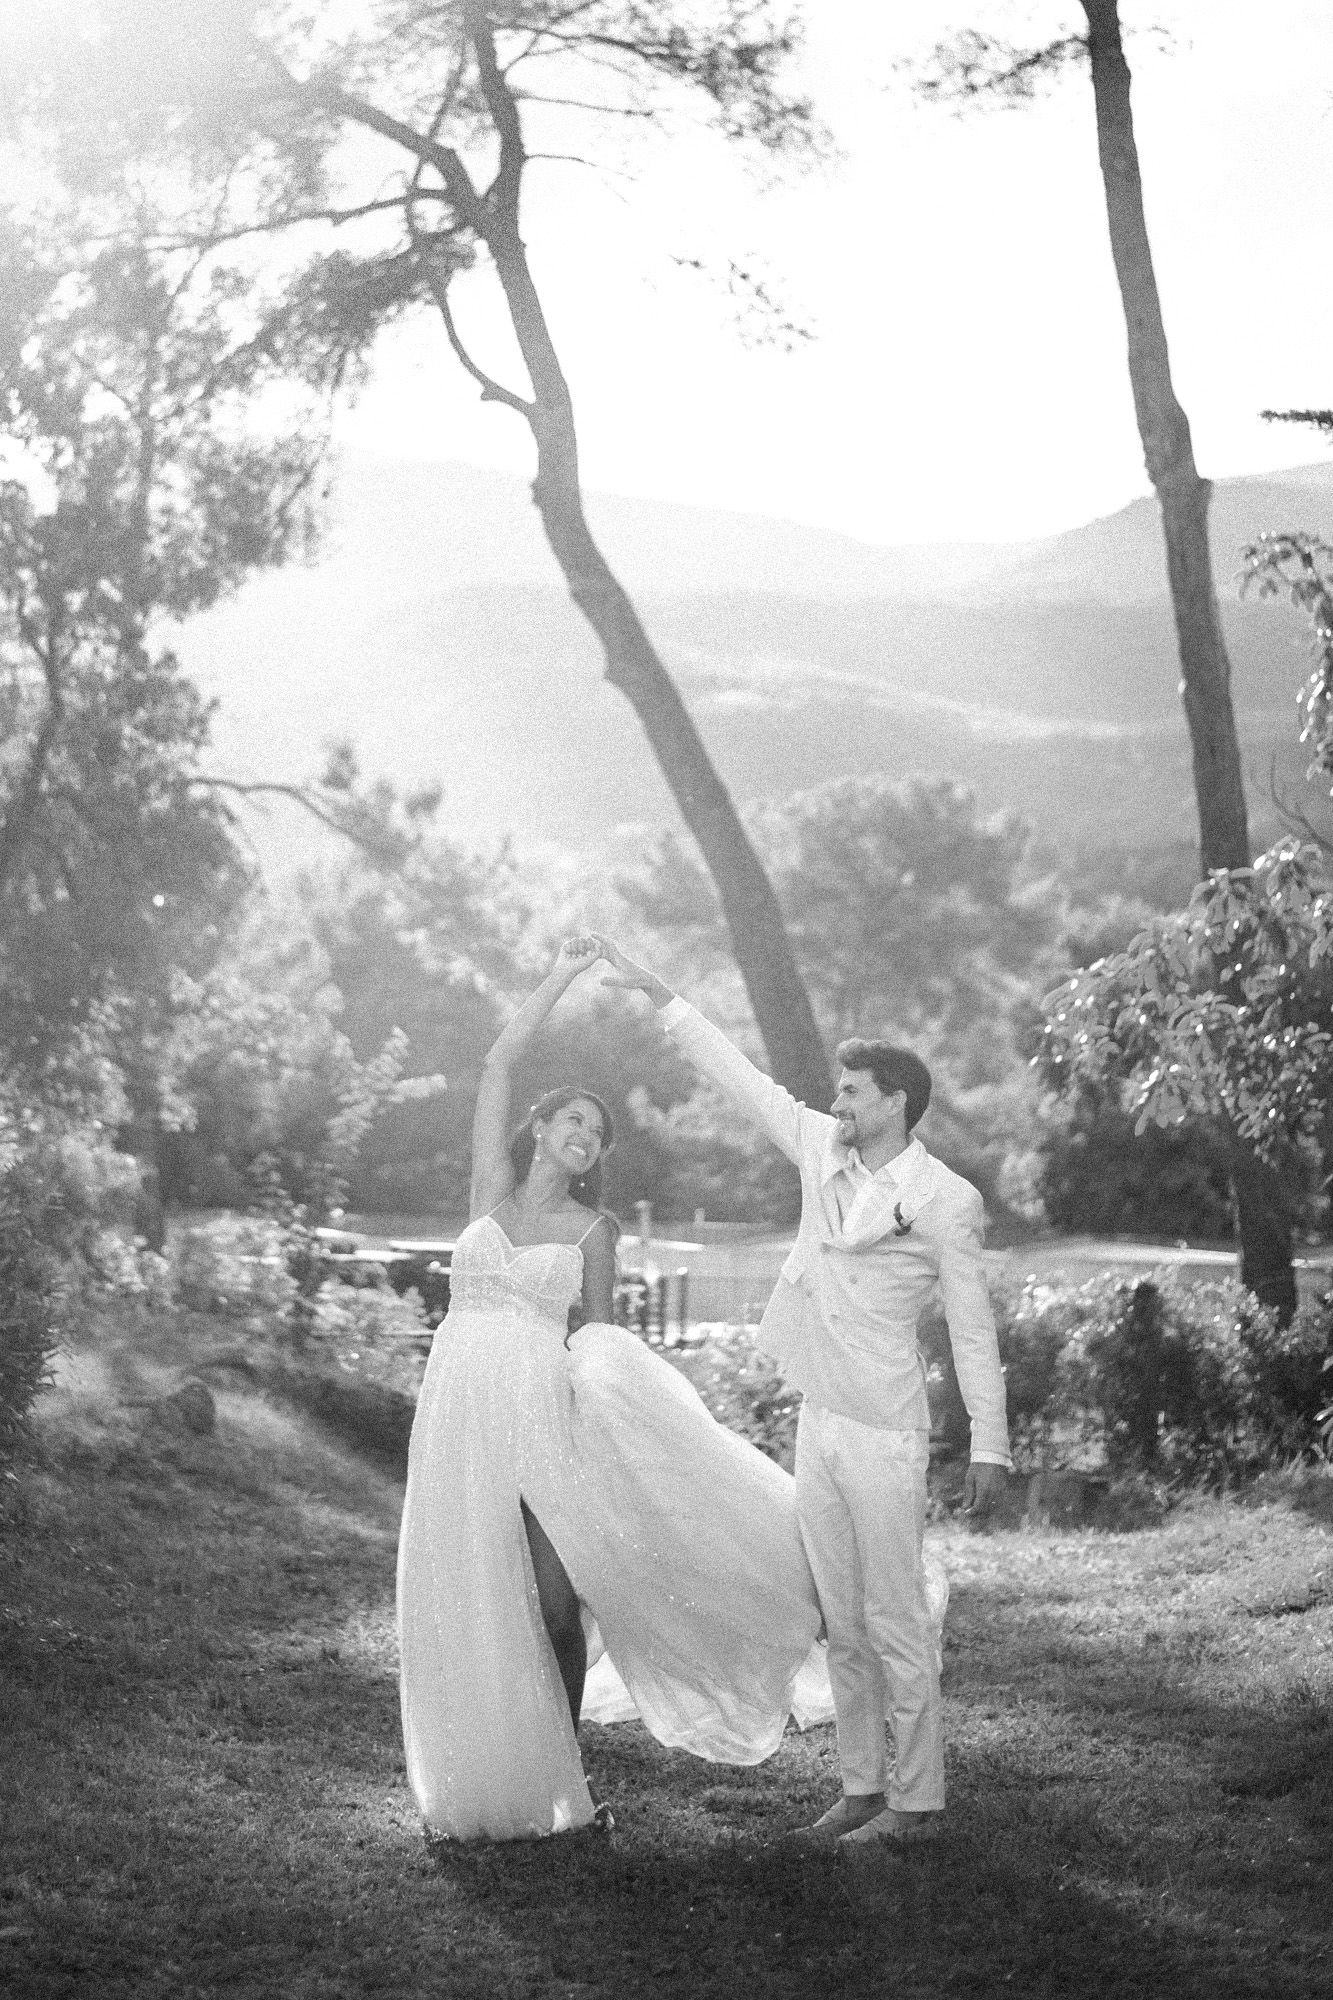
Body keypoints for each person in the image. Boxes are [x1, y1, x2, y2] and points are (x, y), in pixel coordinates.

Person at [396, 937, 827, 1844]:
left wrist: (624, 1424)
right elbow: (498, 1059)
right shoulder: (487, 1197)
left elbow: (593, 1336)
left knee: (555, 1600)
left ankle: (563, 1786)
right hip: (455, 1406)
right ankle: (472, 1775)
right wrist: (562, 973)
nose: (584, 1137)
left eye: (595, 1132)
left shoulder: (595, 1231)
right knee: (463, 1583)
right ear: (541, 1128)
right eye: (572, 1122)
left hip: (536, 1408)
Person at [598, 938, 1011, 1848]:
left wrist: (989, 1446)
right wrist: (664, 998)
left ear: (896, 1101)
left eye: (854, 1091)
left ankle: (919, 1805)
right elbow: (741, 1080)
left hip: (886, 1429)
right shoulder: (818, 1150)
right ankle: (862, 1788)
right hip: (818, 1418)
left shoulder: (945, 1199)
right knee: (842, 1620)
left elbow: (972, 1330)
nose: (838, 1102)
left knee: (895, 1620)